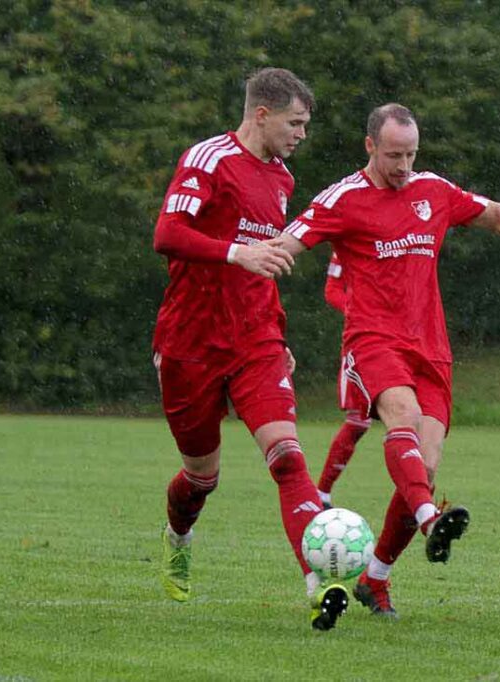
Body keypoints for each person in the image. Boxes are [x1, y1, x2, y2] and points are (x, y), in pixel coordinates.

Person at [272, 103, 500, 618]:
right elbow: (288, 242)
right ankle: (427, 519)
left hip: (431, 348)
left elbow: (494, 213)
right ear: (371, 146)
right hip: (373, 338)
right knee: (399, 416)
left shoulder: (432, 190)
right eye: (394, 155)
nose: (403, 165)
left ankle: (376, 578)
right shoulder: (343, 198)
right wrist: (253, 267)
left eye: (411, 154)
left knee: (429, 460)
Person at [152, 67, 348, 630]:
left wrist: (277, 332)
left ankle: (320, 582)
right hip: (191, 344)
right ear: (261, 114)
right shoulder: (207, 159)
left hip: (256, 342)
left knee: (288, 458)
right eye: (296, 122)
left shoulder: (282, 179)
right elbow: (167, 235)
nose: (302, 134)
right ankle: (179, 535)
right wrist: (237, 252)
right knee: (200, 478)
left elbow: (268, 268)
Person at [316, 250, 372, 508]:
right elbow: (332, 290)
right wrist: (361, 310)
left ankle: (417, 498)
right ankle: (322, 494)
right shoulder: (348, 242)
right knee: (358, 422)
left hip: (405, 335)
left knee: (417, 419)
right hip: (364, 339)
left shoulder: (406, 233)